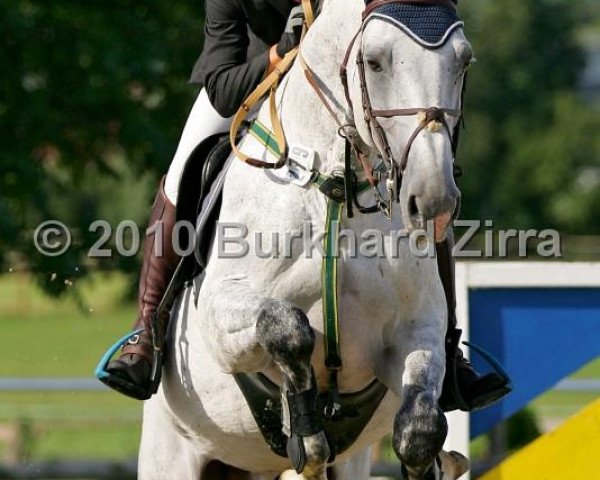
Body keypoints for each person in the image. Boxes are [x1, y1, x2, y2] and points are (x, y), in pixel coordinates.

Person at [100, 0, 510, 412]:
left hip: (339, 95)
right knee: (183, 168)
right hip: (255, 90)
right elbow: (222, 89)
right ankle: (149, 329)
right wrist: (280, 52)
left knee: (426, 178)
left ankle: (446, 347)